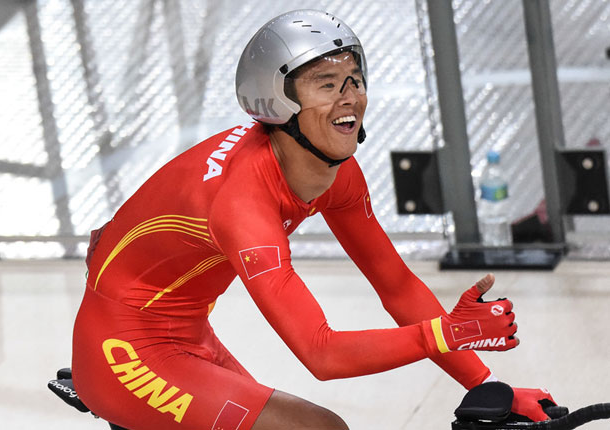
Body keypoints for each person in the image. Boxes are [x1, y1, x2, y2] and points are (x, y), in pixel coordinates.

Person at [72, 9, 555, 430]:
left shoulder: (336, 174)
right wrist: (447, 333)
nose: (349, 97)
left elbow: (397, 287)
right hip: (123, 352)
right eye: (326, 84)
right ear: (277, 104)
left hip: (183, 333)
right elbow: (321, 354)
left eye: (354, 80)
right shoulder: (243, 204)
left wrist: (488, 386)